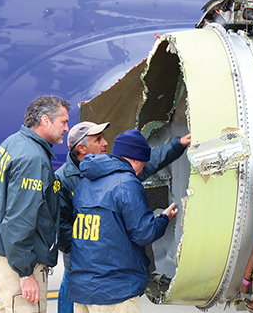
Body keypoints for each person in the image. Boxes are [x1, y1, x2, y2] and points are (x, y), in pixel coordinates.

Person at [69, 129, 179, 312]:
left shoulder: (85, 182)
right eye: (143, 162)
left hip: (84, 290)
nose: (143, 168)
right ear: (136, 159)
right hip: (115, 291)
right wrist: (164, 218)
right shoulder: (127, 183)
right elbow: (144, 233)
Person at [0, 95, 71, 313]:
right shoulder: (33, 158)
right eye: (64, 122)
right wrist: (25, 273)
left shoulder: (13, 143)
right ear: (45, 120)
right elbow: (19, 219)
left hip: (5, 256)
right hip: (20, 263)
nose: (67, 128)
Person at [55, 121, 110, 313]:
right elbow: (61, 230)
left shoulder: (106, 170)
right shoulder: (62, 180)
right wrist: (89, 247)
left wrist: (176, 145)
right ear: (81, 148)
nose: (106, 143)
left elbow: (143, 166)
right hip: (78, 267)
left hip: (100, 265)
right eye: (98, 139)